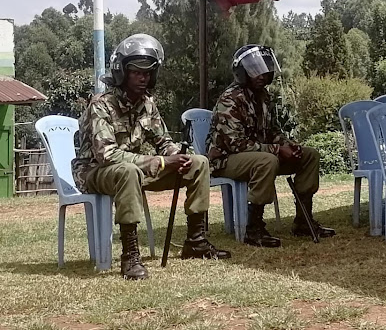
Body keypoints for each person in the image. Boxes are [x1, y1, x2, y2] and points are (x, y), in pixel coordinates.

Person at [72, 34, 230, 280]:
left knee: (199, 163)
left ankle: (196, 241)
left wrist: (177, 155)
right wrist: (162, 162)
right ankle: (130, 256)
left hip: (133, 172)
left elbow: (163, 141)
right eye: (136, 72)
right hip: (94, 172)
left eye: (148, 72)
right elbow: (107, 155)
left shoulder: (147, 104)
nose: (143, 77)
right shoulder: (100, 105)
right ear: (122, 72)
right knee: (128, 171)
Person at [206, 44, 335, 248]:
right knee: (267, 161)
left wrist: (288, 145)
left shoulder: (264, 97)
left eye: (264, 68)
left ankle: (303, 220)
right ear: (242, 72)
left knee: (309, 155)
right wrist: (276, 150)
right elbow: (235, 143)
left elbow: (271, 131)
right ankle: (254, 228)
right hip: (224, 160)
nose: (261, 74)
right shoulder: (231, 99)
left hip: (258, 156)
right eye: (254, 69)